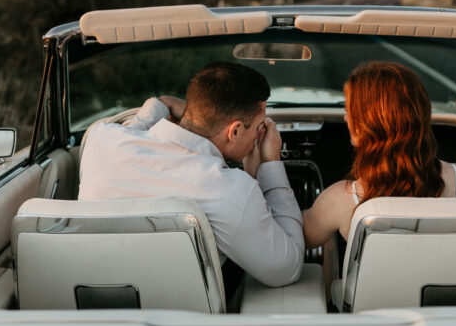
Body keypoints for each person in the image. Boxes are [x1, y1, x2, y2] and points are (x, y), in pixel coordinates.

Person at [79, 61, 304, 290]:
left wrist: (162, 104)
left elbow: (134, 126)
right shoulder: (232, 190)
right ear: (235, 131)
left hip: (95, 304)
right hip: (183, 318)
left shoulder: (101, 139)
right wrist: (271, 164)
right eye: (258, 127)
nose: (259, 135)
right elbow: (287, 269)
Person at [303, 61, 456, 248]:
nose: (345, 117)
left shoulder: (340, 200)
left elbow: (295, 243)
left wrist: (273, 165)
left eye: (349, 110)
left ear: (367, 125)